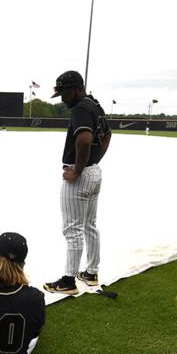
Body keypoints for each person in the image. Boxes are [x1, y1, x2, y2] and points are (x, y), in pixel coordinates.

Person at [43, 70, 112, 295]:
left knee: (72, 229)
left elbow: (84, 139)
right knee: (90, 225)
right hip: (94, 173)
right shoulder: (94, 104)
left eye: (66, 93)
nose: (63, 99)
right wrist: (94, 161)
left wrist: (78, 170)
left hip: (80, 175)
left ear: (79, 89)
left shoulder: (80, 107)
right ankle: (91, 273)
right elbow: (108, 134)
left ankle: (68, 281)